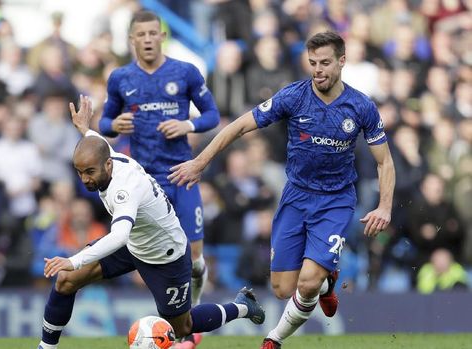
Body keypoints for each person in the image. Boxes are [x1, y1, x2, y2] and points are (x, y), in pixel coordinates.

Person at [169, 31, 396, 349]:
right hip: (296, 196)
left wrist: (384, 206)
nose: (318, 70)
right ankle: (326, 284)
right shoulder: (294, 96)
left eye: (325, 63)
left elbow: (384, 162)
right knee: (281, 288)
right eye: (313, 63)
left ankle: (273, 338)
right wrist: (201, 161)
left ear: (342, 62)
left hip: (336, 200)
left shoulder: (361, 106)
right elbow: (238, 126)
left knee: (306, 283)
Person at [36, 95, 264, 349]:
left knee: (182, 327)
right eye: (80, 173)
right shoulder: (107, 159)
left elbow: (119, 235)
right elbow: (98, 145)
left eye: (90, 172)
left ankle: (242, 306)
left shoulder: (125, 188)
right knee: (66, 279)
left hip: (165, 255)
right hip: (135, 242)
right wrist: (84, 128)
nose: (86, 180)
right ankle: (46, 348)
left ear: (108, 165)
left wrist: (73, 259)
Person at [98, 10, 220, 312]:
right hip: (145, 181)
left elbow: (212, 115)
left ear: (162, 36)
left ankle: (195, 306)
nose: (148, 39)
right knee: (150, 255)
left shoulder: (186, 72)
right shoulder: (121, 78)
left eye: (154, 33)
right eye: (142, 34)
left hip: (182, 173)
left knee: (193, 259)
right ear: (131, 40)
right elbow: (103, 123)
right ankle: (178, 318)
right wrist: (115, 125)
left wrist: (187, 125)